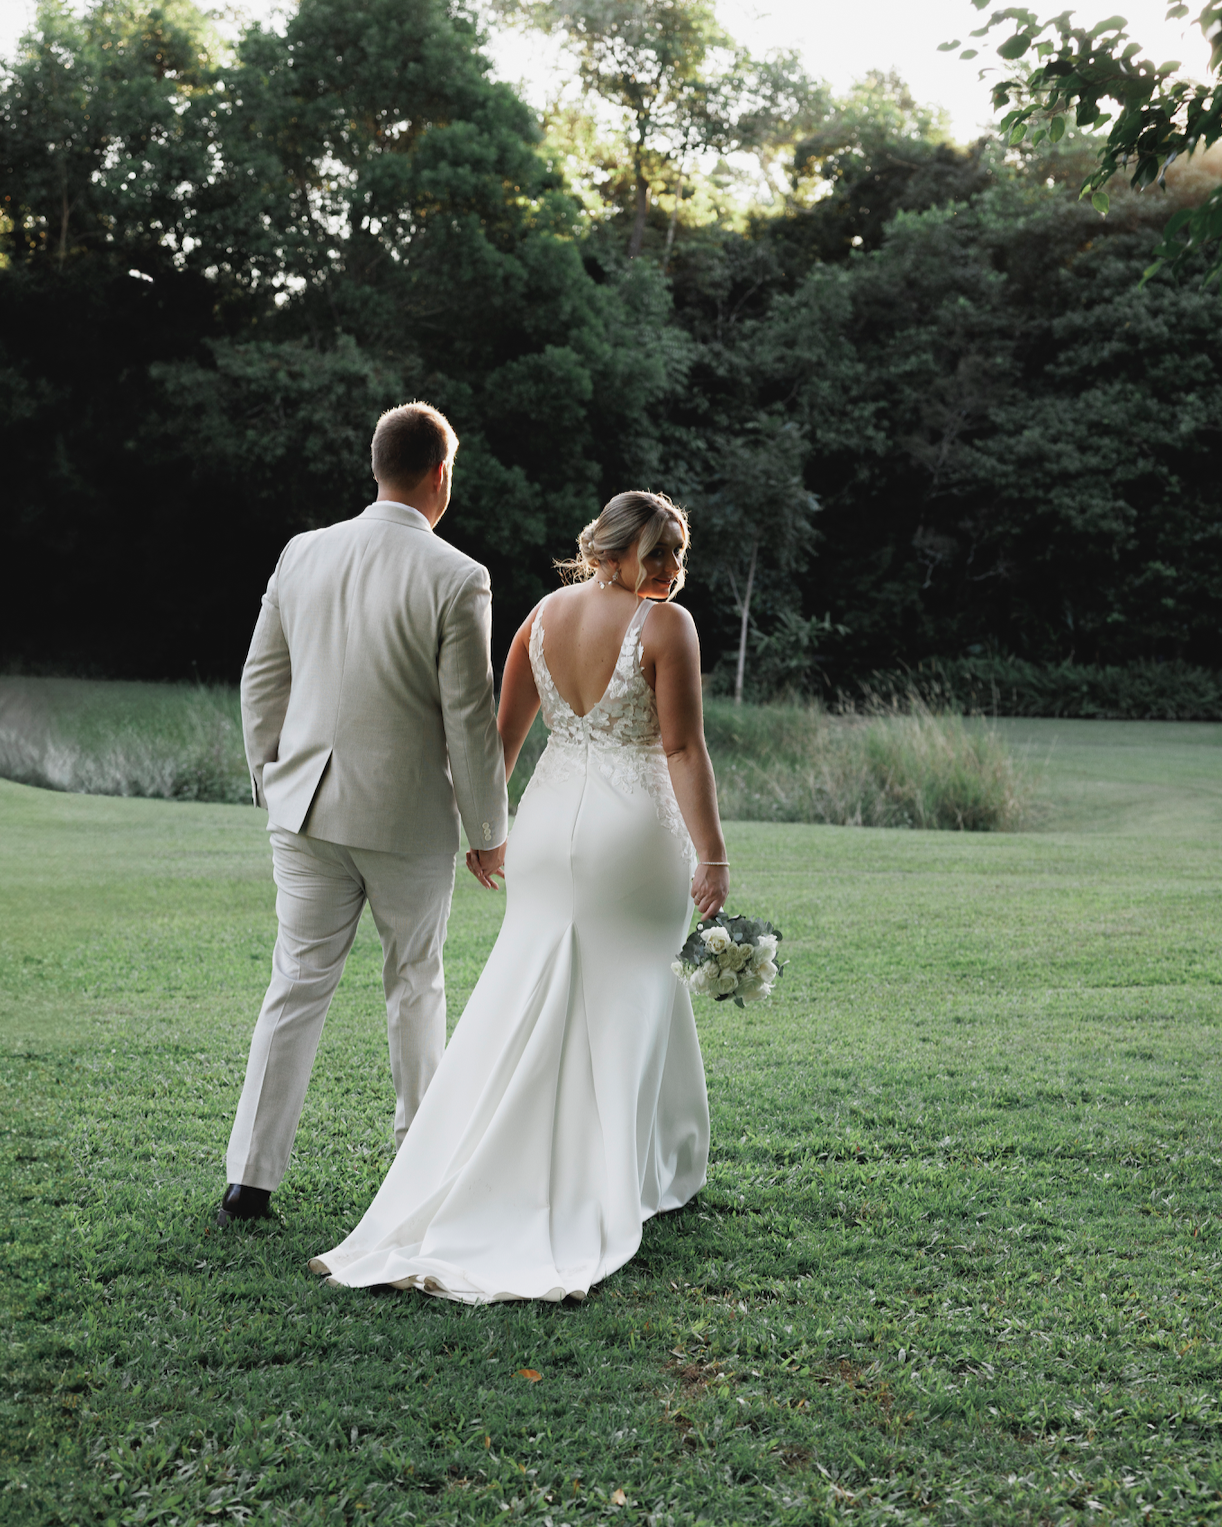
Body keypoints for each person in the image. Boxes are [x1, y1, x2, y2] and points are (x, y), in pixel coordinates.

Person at [309, 491, 729, 1301]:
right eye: (658, 556)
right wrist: (710, 851)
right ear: (612, 554)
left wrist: (486, 831)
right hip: (632, 836)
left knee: (537, 989)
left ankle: (634, 1161)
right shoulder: (667, 628)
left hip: (545, 832)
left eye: (678, 555)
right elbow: (681, 746)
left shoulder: (540, 616)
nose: (672, 573)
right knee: (631, 990)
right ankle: (619, 1175)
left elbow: (501, 738)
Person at [217, 402, 508, 1228]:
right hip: (405, 820)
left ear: (376, 463)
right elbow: (468, 717)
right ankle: (420, 1167)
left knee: (296, 985)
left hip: (303, 810)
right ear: (440, 474)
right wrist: (489, 831)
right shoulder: (459, 575)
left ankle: (250, 1180)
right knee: (415, 984)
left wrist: (271, 778)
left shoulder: (302, 552)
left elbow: (258, 681)